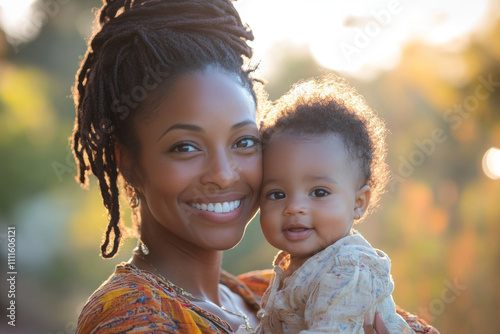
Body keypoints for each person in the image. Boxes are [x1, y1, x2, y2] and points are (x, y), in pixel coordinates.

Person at [71, 0, 437, 333]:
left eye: (243, 142)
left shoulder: (281, 287)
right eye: (185, 147)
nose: (225, 173)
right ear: (130, 164)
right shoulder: (130, 315)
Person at [255, 75, 439, 333]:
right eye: (276, 194)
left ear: (358, 202)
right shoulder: (292, 266)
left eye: (319, 192)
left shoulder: (350, 269)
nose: (294, 206)